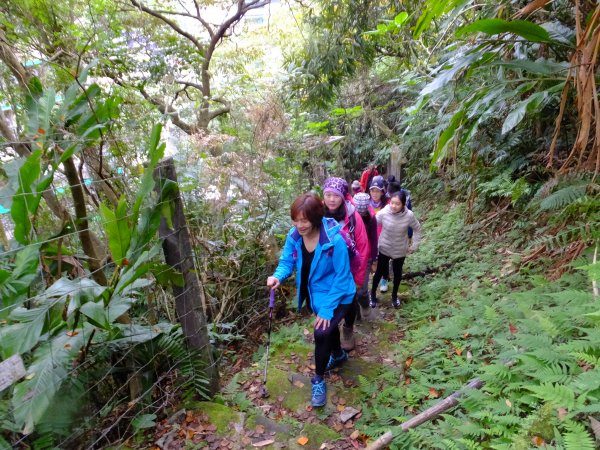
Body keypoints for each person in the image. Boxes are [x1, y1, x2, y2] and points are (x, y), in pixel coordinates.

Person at [267, 193, 356, 407]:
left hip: (339, 295)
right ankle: (338, 354)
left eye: (304, 220)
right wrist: (278, 276)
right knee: (328, 327)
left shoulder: (334, 241)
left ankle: (318, 379)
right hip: (315, 294)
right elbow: (287, 260)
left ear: (316, 217)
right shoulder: (294, 236)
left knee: (321, 331)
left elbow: (343, 278)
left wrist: (326, 309)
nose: (300, 225)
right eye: (296, 220)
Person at [322, 177, 369, 351]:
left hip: (349, 268)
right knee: (330, 302)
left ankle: (348, 328)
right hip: (326, 270)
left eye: (335, 195)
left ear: (343, 196)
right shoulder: (318, 214)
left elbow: (363, 247)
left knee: (349, 302)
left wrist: (358, 277)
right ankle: (331, 334)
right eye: (328, 195)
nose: (331, 199)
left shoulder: (352, 216)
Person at [370, 191, 421, 308]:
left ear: (403, 204)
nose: (393, 206)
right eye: (392, 203)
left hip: (400, 249)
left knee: (397, 274)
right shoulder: (383, 213)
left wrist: (415, 245)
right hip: (384, 247)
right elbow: (371, 225)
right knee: (379, 272)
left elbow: (417, 228)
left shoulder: (409, 215)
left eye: (397, 204)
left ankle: (394, 296)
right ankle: (372, 294)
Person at [352, 193, 378, 319]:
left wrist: (374, 259)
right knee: (351, 289)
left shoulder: (371, 218)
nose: (360, 214)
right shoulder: (349, 217)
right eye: (359, 211)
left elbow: (374, 239)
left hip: (366, 256)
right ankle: (354, 315)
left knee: (362, 288)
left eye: (363, 212)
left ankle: (365, 304)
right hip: (351, 256)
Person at [369, 175, 390, 293]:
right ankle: (377, 275)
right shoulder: (367, 203)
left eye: (377, 191)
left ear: (382, 192)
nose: (375, 194)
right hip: (372, 238)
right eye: (373, 190)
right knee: (373, 260)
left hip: (384, 236)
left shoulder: (388, 204)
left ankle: (384, 279)